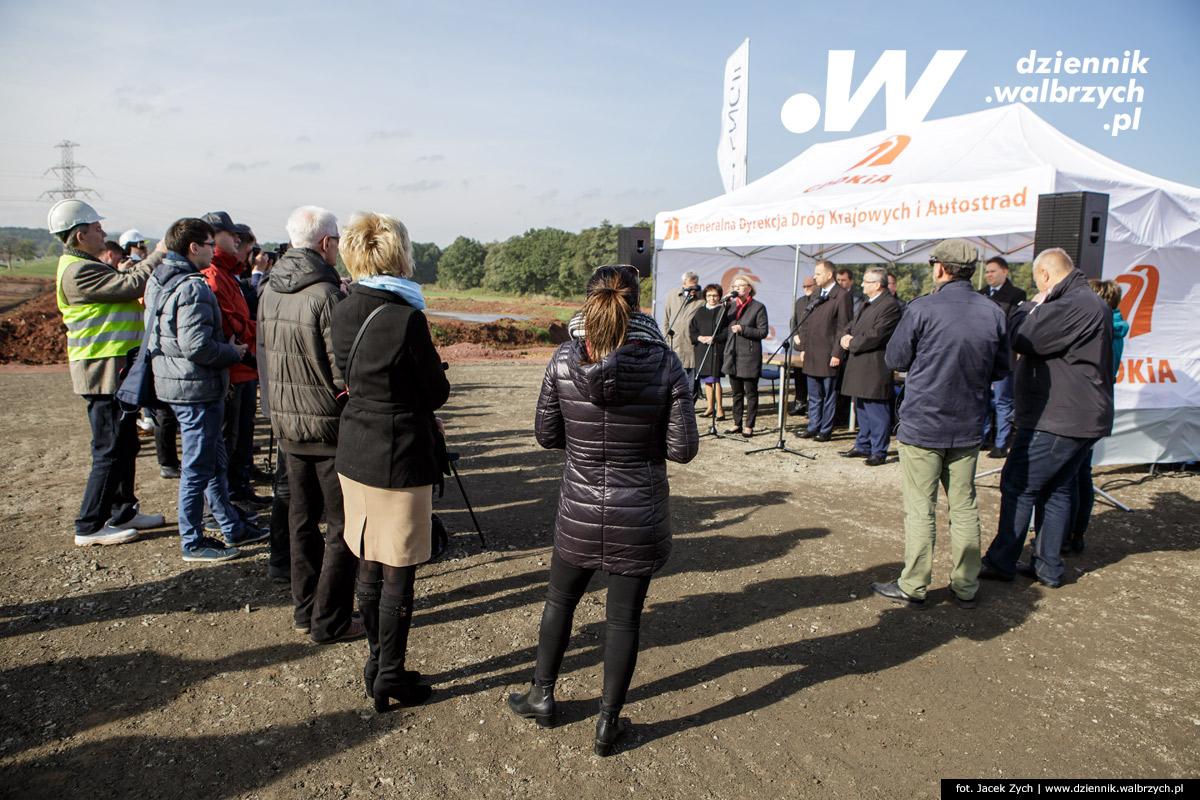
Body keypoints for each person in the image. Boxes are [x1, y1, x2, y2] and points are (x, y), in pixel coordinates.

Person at [509, 265, 698, 756]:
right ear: (637, 305)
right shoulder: (666, 364)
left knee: (559, 602)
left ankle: (542, 696)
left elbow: (547, 436)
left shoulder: (563, 360)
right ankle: (606, 724)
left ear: (588, 301)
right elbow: (681, 450)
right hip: (639, 514)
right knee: (624, 621)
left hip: (579, 506)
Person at [331, 212, 449, 711]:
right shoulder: (406, 317)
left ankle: (377, 663)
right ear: (397, 254)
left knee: (368, 555)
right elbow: (436, 393)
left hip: (355, 447)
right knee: (398, 565)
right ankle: (389, 674)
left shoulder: (341, 307)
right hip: (398, 453)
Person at [870, 239, 1007, 609]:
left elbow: (895, 357)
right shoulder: (992, 311)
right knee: (964, 507)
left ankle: (914, 584)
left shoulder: (923, 308)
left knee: (921, 509)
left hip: (924, 423)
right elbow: (1001, 367)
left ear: (940, 268)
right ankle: (966, 585)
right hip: (967, 424)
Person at [980, 248, 1114, 589]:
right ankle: (1048, 566)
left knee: (1018, 484)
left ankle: (1002, 561)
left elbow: (1024, 338)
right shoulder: (1087, 301)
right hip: (1078, 416)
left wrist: (1030, 306)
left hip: (1059, 417)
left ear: (1044, 276)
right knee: (1056, 490)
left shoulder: (1071, 303)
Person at [259, 205, 362, 644]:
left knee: (300, 521)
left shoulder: (269, 288)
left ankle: (305, 610)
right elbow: (343, 369)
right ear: (326, 243)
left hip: (285, 425)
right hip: (325, 427)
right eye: (337, 239)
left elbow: (265, 355)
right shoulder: (325, 294)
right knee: (343, 526)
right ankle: (331, 619)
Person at [145, 218, 269, 562]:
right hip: (195, 387)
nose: (215, 250)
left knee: (213, 460)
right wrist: (235, 352)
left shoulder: (160, 277)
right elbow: (197, 346)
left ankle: (231, 526)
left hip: (178, 382)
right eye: (210, 243)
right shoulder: (192, 287)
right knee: (199, 466)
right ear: (193, 247)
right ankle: (193, 540)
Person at [49, 198, 165, 547]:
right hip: (101, 370)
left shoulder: (85, 263)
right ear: (80, 235)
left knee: (125, 443)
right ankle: (89, 524)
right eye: (97, 228)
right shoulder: (77, 270)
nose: (104, 232)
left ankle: (123, 510)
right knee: (110, 448)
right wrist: (158, 254)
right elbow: (130, 285)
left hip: (115, 367)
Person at [1058, 280, 1128, 555]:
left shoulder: (1102, 329)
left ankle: (1063, 535)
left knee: (1070, 477)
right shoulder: (1116, 328)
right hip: (1099, 407)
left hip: (1084, 407)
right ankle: (1076, 532)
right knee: (1082, 474)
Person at [199, 211, 263, 509]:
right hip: (236, 367)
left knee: (243, 434)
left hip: (245, 366)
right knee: (232, 438)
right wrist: (257, 332)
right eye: (228, 233)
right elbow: (232, 324)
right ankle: (230, 496)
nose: (236, 238)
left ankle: (239, 488)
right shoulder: (213, 274)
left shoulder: (229, 273)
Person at [838, 267, 903, 466]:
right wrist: (845, 337)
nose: (862, 285)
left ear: (877, 284)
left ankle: (878, 450)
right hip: (860, 363)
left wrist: (852, 343)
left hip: (874, 365)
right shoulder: (869, 303)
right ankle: (863, 444)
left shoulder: (890, 305)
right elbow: (852, 324)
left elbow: (878, 334)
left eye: (866, 281)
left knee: (876, 410)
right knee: (862, 408)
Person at [795, 260, 852, 442]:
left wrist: (837, 352)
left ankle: (825, 429)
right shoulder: (816, 293)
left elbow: (844, 327)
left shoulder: (841, 296)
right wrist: (803, 347)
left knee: (829, 394)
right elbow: (807, 322)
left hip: (829, 354)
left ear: (829, 275)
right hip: (812, 352)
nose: (815, 277)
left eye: (818, 274)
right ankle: (813, 426)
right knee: (814, 394)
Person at [979, 256, 1027, 458]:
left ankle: (1001, 443)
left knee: (1002, 400)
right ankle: (981, 438)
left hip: (1004, 355)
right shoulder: (980, 294)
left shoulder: (1016, 294)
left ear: (1005, 272)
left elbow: (1012, 324)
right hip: (982, 355)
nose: (989, 275)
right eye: (987, 271)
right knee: (980, 399)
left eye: (993, 271)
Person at [721, 274, 768, 438]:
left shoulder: (758, 307)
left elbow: (763, 332)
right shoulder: (731, 307)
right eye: (735, 286)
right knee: (736, 393)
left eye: (741, 285)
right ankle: (736, 423)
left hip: (749, 356)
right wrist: (725, 306)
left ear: (749, 288)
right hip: (732, 354)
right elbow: (720, 326)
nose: (737, 288)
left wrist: (744, 329)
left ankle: (749, 425)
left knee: (751, 393)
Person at [689, 283, 728, 419]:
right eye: (709, 295)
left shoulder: (722, 311)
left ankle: (720, 409)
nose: (712, 298)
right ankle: (710, 407)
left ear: (719, 297)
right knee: (707, 381)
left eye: (715, 295)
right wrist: (699, 337)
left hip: (715, 348)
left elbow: (725, 331)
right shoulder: (700, 311)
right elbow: (692, 327)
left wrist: (714, 338)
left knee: (715, 379)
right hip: (702, 348)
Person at [661, 270, 702, 386]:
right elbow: (666, 319)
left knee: (691, 379)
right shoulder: (672, 295)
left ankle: (690, 402)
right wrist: (666, 339)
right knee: (675, 377)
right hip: (675, 342)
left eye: (695, 285)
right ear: (683, 284)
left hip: (692, 344)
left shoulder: (701, 298)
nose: (693, 289)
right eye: (690, 286)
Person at [788, 276, 817, 416]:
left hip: (813, 347)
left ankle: (812, 406)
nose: (806, 289)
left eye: (809, 286)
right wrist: (795, 335)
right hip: (799, 346)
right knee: (799, 376)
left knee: (812, 377)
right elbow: (793, 320)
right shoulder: (800, 301)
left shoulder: (818, 302)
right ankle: (800, 402)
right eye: (804, 286)